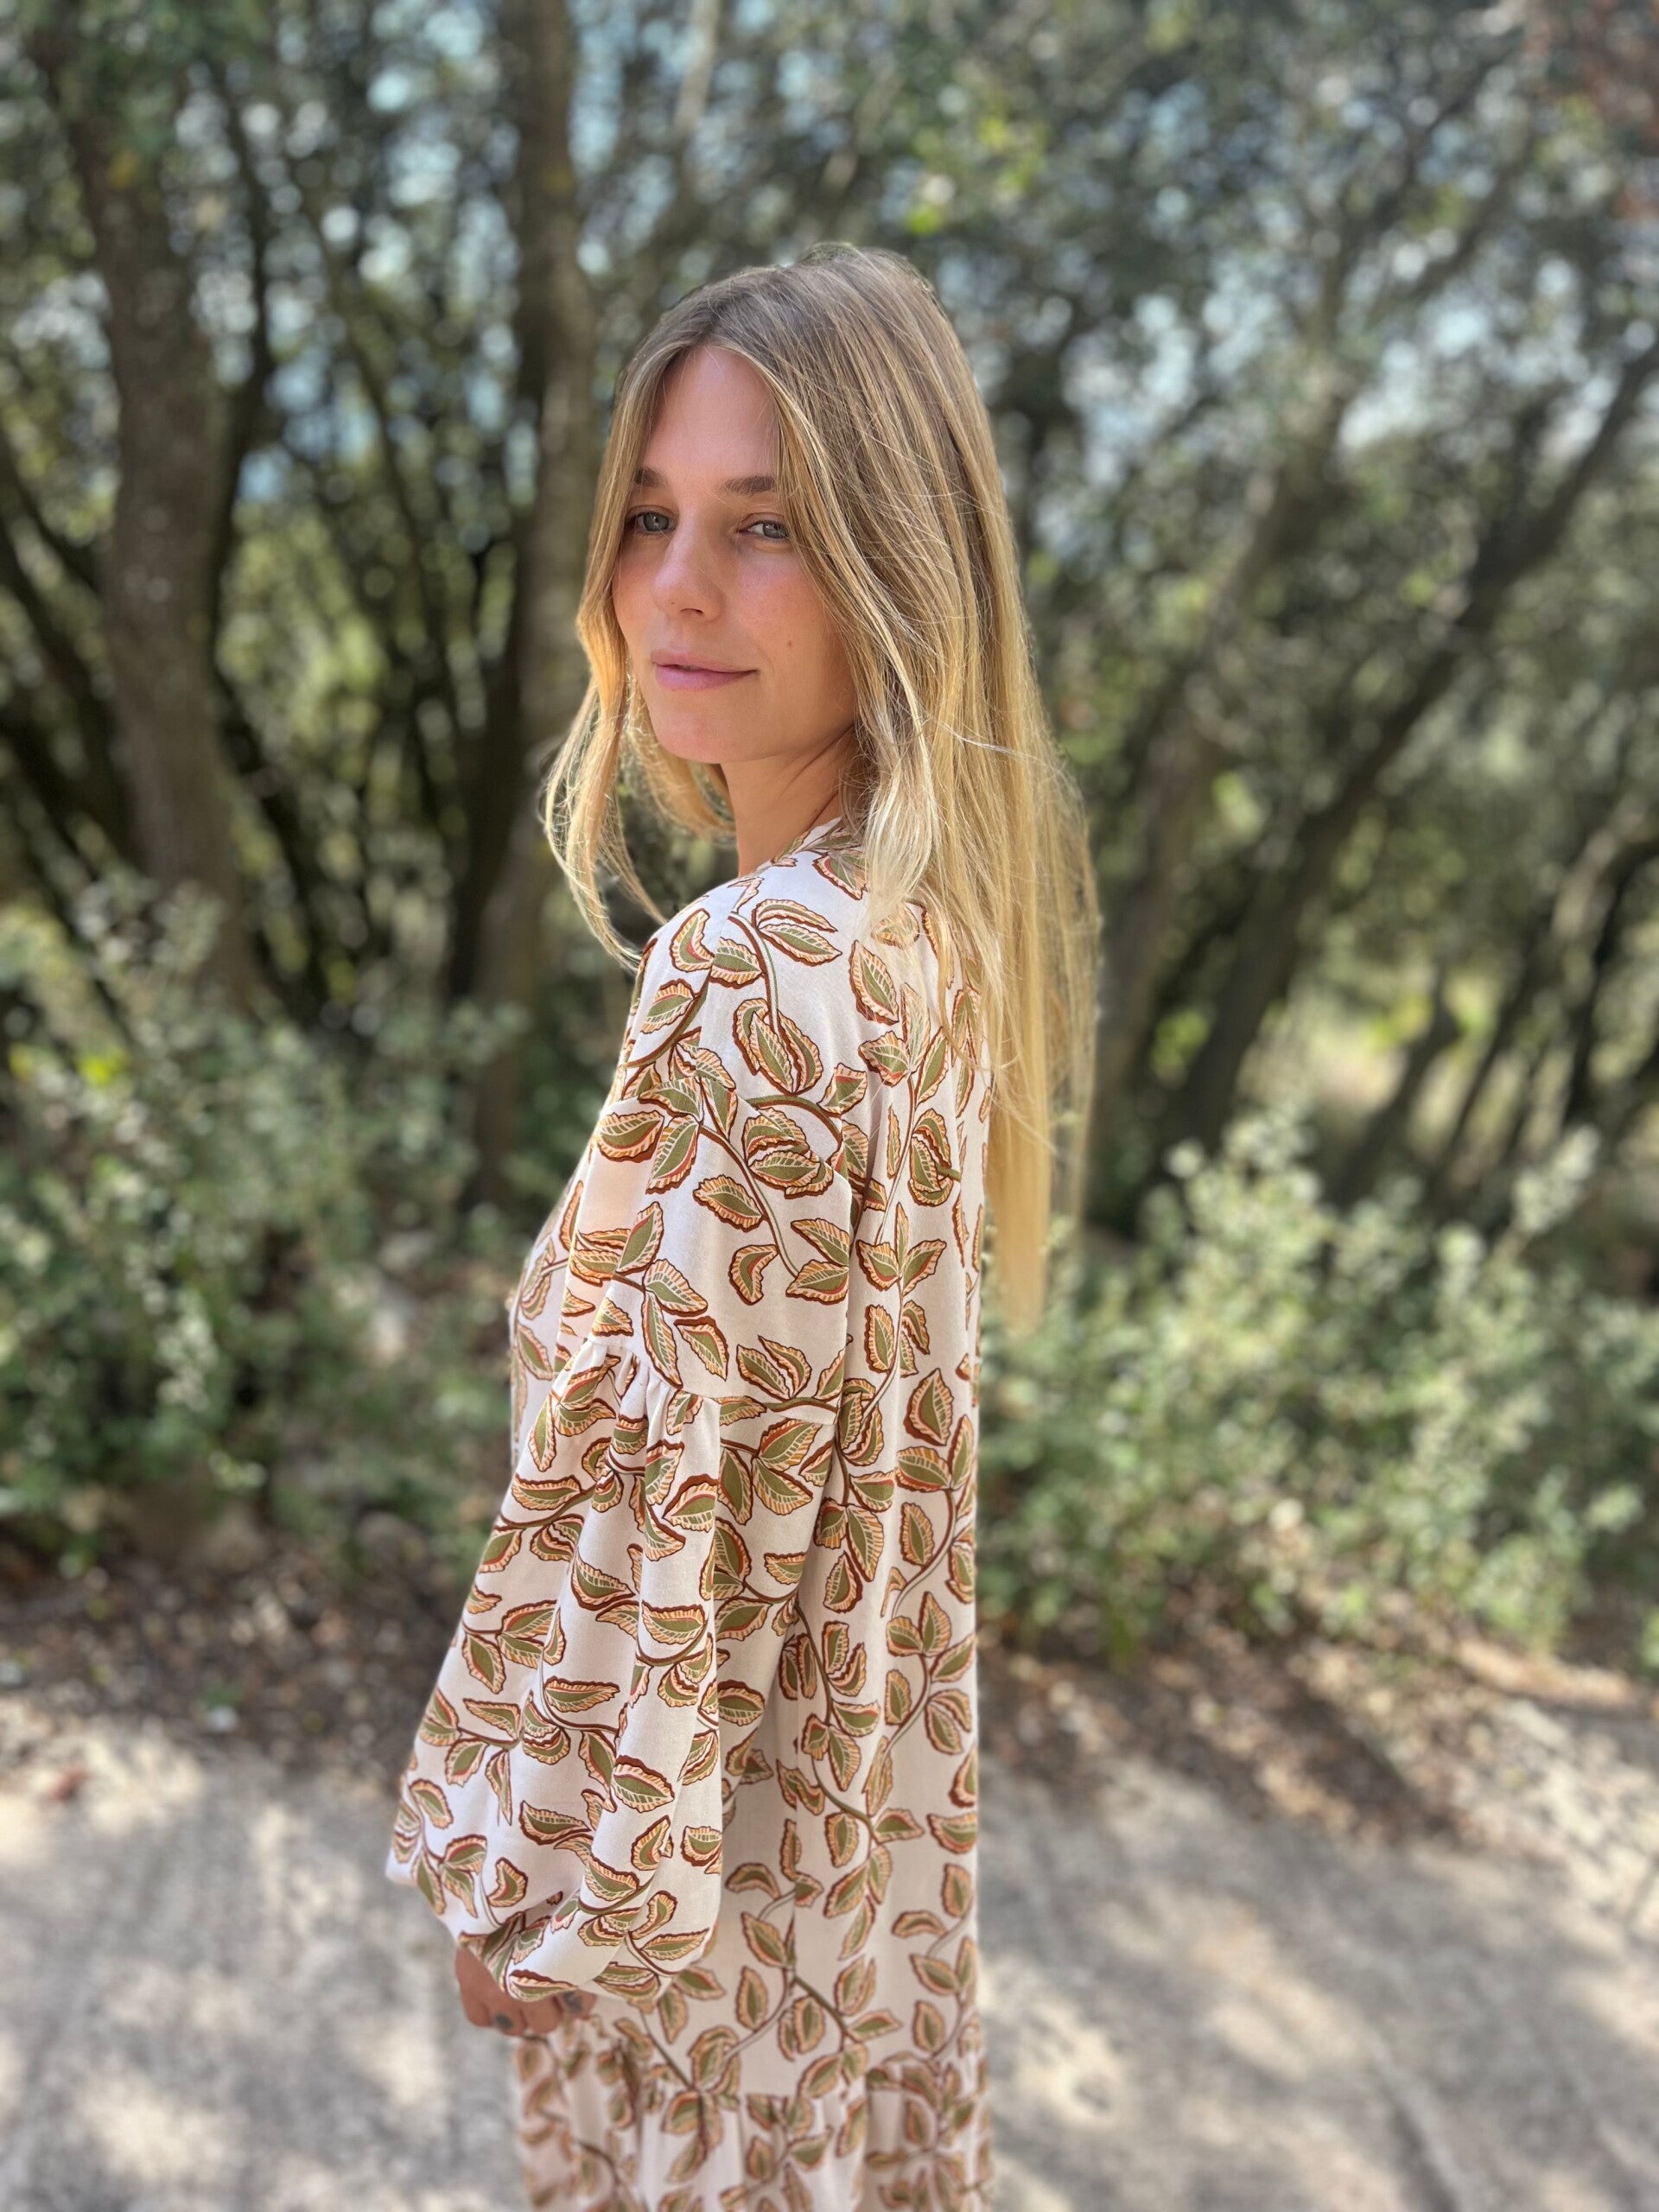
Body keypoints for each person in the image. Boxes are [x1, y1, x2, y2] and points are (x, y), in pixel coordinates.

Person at [385, 241, 1098, 2210]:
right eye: (650, 515)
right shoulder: (920, 937)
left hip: (705, 1925)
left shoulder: (763, 963)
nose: (678, 586)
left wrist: (541, 1868)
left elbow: (677, 1486)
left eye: (764, 525)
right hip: (851, 1894)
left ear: (898, 568)